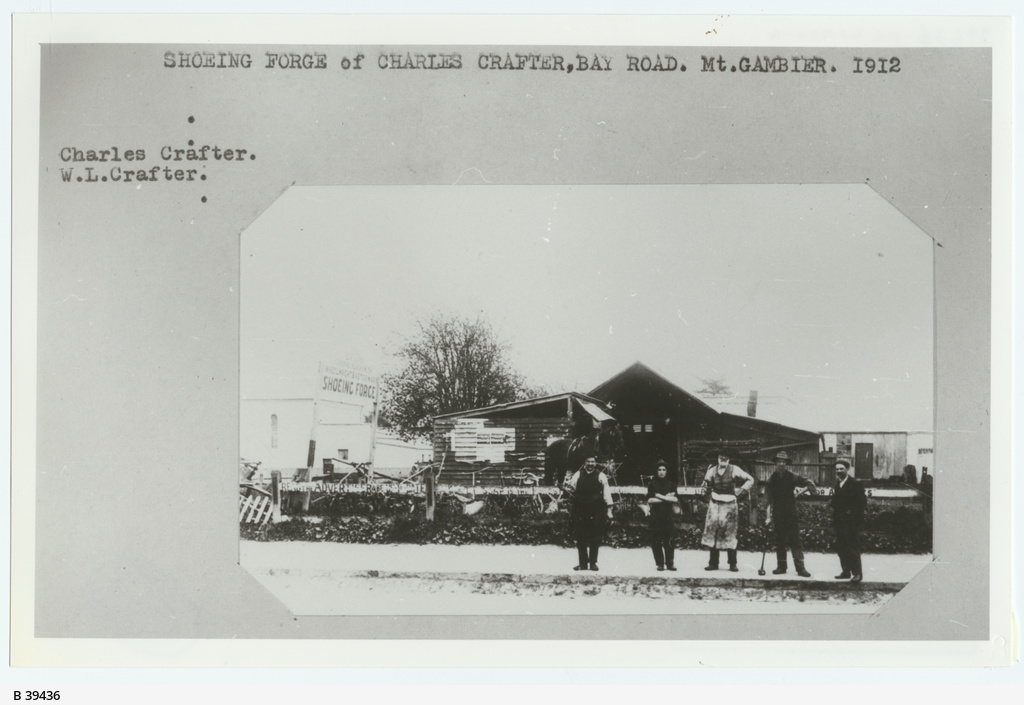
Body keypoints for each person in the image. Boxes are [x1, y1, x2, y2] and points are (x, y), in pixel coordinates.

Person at [700, 448, 754, 572]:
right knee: (713, 530)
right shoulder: (711, 470)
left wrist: (742, 490)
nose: (723, 458)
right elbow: (705, 485)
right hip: (714, 504)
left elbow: (750, 479)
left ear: (729, 458)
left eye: (725, 456)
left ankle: (732, 564)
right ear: (718, 457)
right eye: (721, 456)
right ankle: (713, 563)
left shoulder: (735, 469)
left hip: (730, 504)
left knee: (730, 532)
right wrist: (705, 492)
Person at [765, 450, 816, 577]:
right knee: (780, 541)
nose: (781, 464)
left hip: (791, 514)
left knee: (795, 541)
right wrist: (768, 517)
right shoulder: (771, 479)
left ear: (786, 463)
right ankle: (781, 567)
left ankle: (800, 569)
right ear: (775, 463)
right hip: (778, 514)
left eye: (784, 462)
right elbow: (768, 501)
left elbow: (809, 482)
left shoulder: (792, 476)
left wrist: (802, 491)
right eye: (779, 462)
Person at [563, 455, 614, 571]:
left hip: (596, 510)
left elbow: (607, 493)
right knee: (580, 537)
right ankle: (582, 563)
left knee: (595, 537)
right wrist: (566, 489)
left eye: (593, 462)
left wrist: (609, 511)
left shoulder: (601, 476)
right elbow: (571, 489)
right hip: (580, 509)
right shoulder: (577, 475)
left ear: (596, 463)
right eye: (588, 462)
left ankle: (593, 563)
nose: (590, 464)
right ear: (584, 463)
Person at [831, 457, 867, 583]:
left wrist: (853, 515)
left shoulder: (855, 484)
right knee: (841, 547)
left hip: (851, 523)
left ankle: (857, 573)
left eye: (841, 469)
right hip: (840, 522)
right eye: (837, 469)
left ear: (847, 469)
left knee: (852, 547)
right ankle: (846, 571)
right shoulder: (838, 484)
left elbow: (862, 503)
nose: (839, 471)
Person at [646, 459, 679, 571]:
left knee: (669, 541)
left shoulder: (671, 485)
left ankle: (670, 563)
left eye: (664, 470)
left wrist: (659, 496)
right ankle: (660, 563)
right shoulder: (652, 484)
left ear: (666, 471)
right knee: (656, 541)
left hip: (668, 516)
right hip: (655, 516)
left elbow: (675, 499)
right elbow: (650, 500)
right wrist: (666, 498)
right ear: (656, 471)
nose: (661, 472)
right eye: (659, 469)